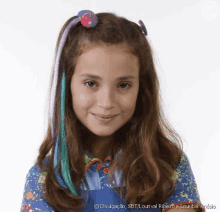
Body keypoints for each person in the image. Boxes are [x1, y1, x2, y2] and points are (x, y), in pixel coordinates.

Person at [20, 10, 205, 212]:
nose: (107, 102)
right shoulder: (45, 179)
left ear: (141, 89)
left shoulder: (169, 165)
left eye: (123, 85)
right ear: (67, 86)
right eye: (91, 83)